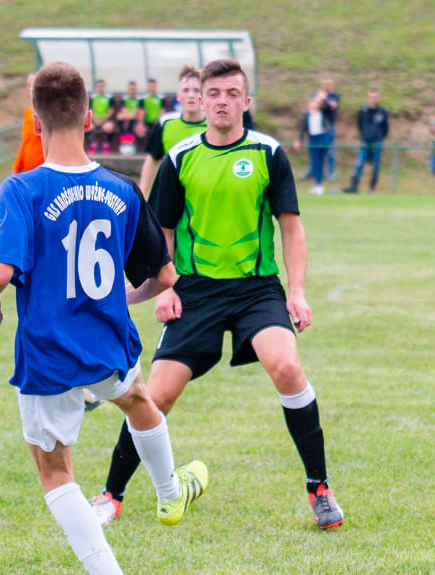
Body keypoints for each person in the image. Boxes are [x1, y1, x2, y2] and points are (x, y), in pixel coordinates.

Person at [90, 58, 344, 530]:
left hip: (257, 289)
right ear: (200, 100)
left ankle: (320, 489)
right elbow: (160, 234)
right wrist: (163, 288)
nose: (222, 101)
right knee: (156, 397)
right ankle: (111, 494)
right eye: (214, 94)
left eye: (232, 93)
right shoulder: (181, 158)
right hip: (195, 291)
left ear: (246, 102)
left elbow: (291, 228)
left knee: (287, 366)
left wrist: (299, 291)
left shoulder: (269, 153)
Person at [0, 61, 207, 575]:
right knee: (138, 399)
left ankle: (108, 570)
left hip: (48, 355)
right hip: (108, 343)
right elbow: (164, 277)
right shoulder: (123, 189)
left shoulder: (23, 190)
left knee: (55, 471)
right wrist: (123, 295)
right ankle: (170, 492)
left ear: (35, 122)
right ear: (88, 119)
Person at [138, 66, 207, 195]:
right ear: (178, 96)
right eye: (186, 90)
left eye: (197, 90)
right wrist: (142, 193)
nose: (191, 95)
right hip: (171, 195)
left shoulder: (214, 125)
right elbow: (152, 159)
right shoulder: (166, 123)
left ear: (204, 95)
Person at [343, 89, 389, 194]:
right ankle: (354, 187)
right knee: (359, 164)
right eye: (371, 97)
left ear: (378, 98)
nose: (373, 99)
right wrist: (363, 136)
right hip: (364, 142)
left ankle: (372, 188)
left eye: (375, 97)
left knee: (376, 166)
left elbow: (385, 128)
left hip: (376, 143)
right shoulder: (363, 111)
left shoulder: (382, 111)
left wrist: (380, 138)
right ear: (368, 98)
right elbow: (359, 125)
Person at [294, 92, 333, 195]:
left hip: (322, 138)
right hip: (313, 139)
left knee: (321, 161)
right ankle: (318, 184)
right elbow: (303, 128)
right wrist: (299, 140)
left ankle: (319, 184)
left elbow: (329, 107)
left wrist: (323, 98)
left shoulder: (322, 112)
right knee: (315, 162)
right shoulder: (307, 115)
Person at [12, 72, 45, 173]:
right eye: (31, 85)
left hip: (44, 172)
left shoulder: (50, 113)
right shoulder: (28, 113)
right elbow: (25, 142)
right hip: (29, 172)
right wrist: (16, 168)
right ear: (27, 89)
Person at [87, 79, 118, 154]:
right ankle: (93, 142)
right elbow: (90, 109)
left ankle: (106, 142)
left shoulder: (109, 97)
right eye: (98, 86)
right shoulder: (92, 97)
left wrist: (102, 119)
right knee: (86, 127)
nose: (100, 87)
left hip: (106, 120)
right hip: (94, 119)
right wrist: (95, 119)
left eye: (102, 86)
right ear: (96, 87)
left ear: (104, 87)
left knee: (109, 127)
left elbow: (111, 111)